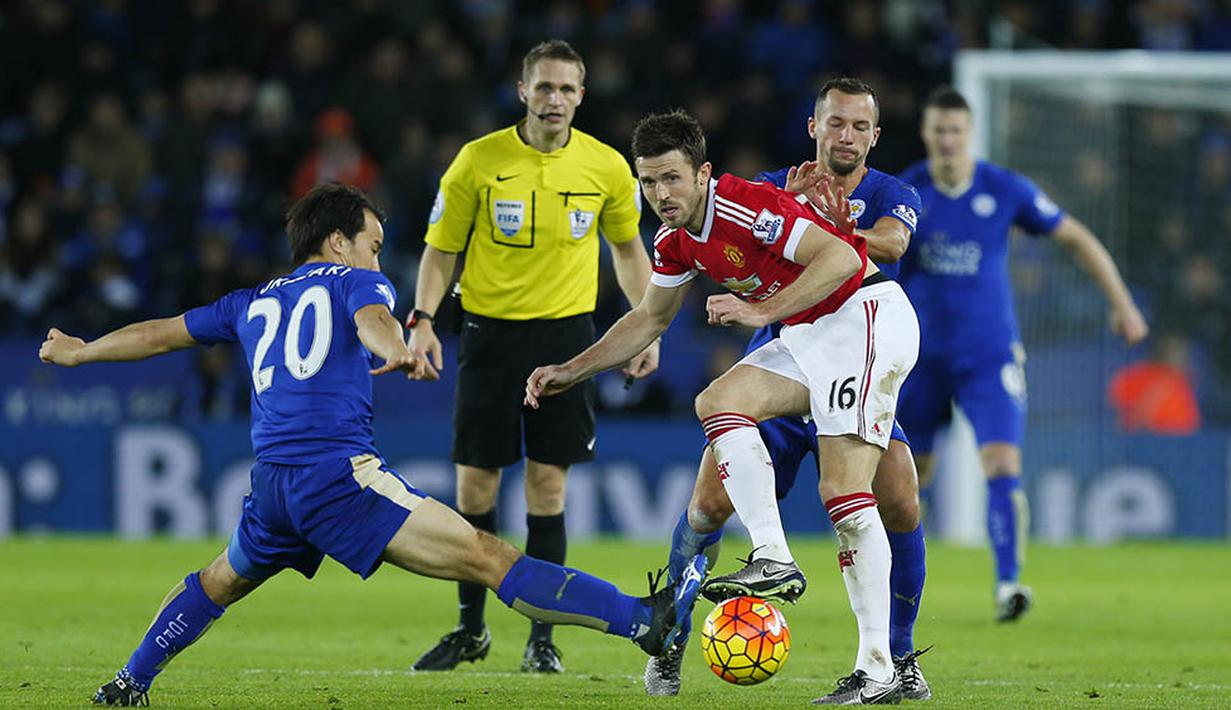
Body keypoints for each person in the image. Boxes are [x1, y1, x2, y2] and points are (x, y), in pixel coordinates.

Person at [37, 183, 702, 707]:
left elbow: (161, 333)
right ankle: (644, 620)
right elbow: (374, 320)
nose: (379, 258)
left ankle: (128, 682)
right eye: (374, 244)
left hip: (274, 485)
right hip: (337, 479)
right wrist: (399, 347)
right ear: (337, 241)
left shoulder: (250, 300)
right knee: (489, 555)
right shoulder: (355, 280)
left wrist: (84, 351)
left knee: (218, 581)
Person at [526, 109, 920, 705]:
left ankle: (880, 669)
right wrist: (571, 370)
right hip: (810, 337)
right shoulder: (673, 240)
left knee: (845, 494)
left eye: (672, 179)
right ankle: (772, 555)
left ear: (703, 173)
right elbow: (650, 318)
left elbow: (842, 258)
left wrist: (763, 311)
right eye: (649, 182)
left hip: (864, 317)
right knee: (718, 400)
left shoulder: (745, 207)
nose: (660, 194)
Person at [642, 77, 932, 701]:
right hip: (788, 357)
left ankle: (894, 660)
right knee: (706, 506)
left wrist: (833, 228)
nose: (846, 136)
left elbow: (890, 244)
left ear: (874, 136)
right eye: (835, 124)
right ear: (814, 127)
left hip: (854, 346)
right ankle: (670, 638)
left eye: (859, 127)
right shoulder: (768, 190)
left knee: (898, 494)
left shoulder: (891, 192)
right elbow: (715, 235)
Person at [407, 39, 659, 674]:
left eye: (566, 89)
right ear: (523, 91)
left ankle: (542, 638)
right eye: (543, 87)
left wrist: (645, 326)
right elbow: (441, 249)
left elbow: (629, 251)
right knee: (475, 486)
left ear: (581, 95)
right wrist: (423, 319)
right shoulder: (479, 161)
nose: (554, 99)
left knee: (547, 490)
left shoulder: (605, 167)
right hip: (489, 338)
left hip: (568, 342)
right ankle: (470, 629)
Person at [896, 87, 1149, 621]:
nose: (946, 140)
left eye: (955, 131)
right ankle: (895, 591)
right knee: (910, 478)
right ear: (926, 134)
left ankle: (1009, 582)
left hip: (989, 357)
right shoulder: (907, 194)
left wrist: (1122, 304)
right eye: (937, 130)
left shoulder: (1001, 188)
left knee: (1003, 462)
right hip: (919, 360)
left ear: (970, 134)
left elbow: (1076, 236)